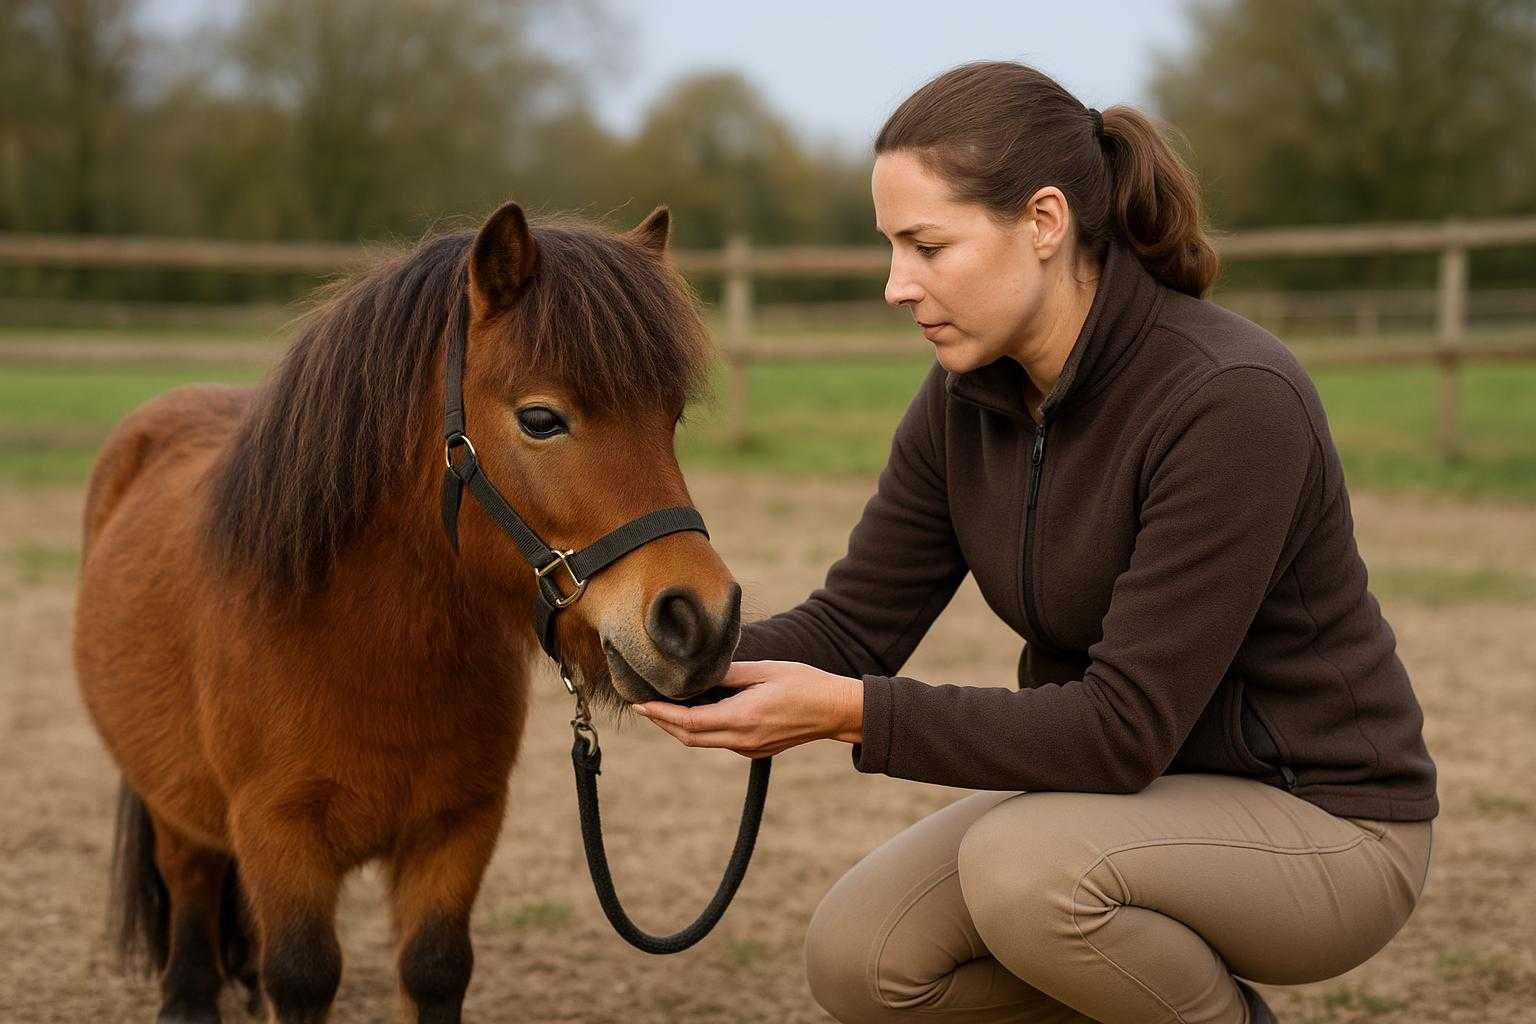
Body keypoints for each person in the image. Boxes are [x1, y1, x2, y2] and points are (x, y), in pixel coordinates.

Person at [631, 61, 1437, 1024]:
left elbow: (1119, 729)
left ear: (1045, 223)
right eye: (892, 248)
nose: (897, 285)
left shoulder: (1231, 400)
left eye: (927, 245)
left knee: (1025, 873)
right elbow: (853, 628)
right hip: (1123, 810)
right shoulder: (965, 399)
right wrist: (662, 651)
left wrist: (851, 714)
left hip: (1328, 824)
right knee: (861, 958)